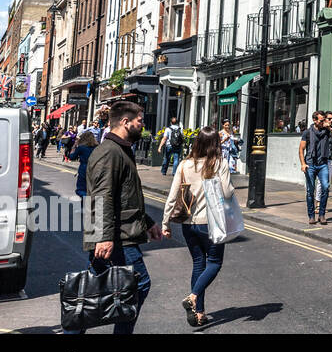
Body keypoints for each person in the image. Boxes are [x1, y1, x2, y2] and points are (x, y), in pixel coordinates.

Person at [75, 101, 161, 335]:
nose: (143, 126)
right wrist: (103, 237)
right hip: (115, 233)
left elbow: (125, 196)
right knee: (138, 283)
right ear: (125, 122)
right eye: (140, 121)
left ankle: (74, 330)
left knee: (91, 289)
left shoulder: (120, 150)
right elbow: (101, 197)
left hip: (114, 230)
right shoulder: (110, 152)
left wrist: (148, 222)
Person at [161, 126, 235, 328]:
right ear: (215, 145)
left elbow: (173, 196)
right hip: (211, 223)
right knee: (214, 263)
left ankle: (199, 313)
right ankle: (193, 298)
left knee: (198, 263)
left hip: (188, 224)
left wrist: (165, 223)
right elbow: (228, 193)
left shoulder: (185, 164)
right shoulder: (218, 163)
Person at [299, 111, 332, 225]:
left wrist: (330, 128)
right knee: (310, 191)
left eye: (324, 120)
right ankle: (311, 216)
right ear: (314, 120)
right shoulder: (307, 133)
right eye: (321, 120)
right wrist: (303, 164)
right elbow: (301, 149)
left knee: (325, 187)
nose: (323, 122)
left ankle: (322, 214)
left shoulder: (326, 131)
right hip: (310, 164)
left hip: (322, 164)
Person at [67, 130, 98, 198]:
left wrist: (75, 145)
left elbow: (72, 157)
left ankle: (84, 205)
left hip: (84, 169)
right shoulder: (97, 147)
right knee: (92, 188)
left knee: (82, 189)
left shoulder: (81, 148)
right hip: (95, 168)